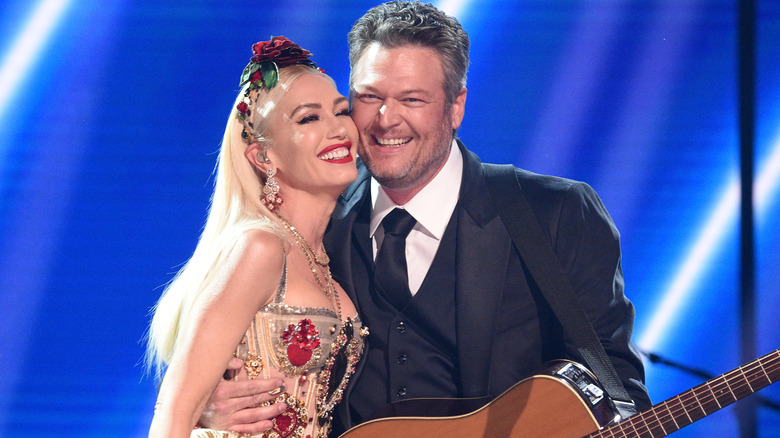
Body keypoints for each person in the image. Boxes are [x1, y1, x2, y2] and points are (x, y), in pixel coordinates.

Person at [199, 2, 652, 436]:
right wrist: (211, 404)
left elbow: (616, 390)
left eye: (411, 99)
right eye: (368, 97)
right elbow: (227, 354)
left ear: (456, 106)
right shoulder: (313, 221)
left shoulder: (554, 213)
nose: (384, 120)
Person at [145, 36, 367, 438]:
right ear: (264, 157)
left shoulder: (329, 258)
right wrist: (202, 411)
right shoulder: (260, 248)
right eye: (308, 118)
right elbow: (175, 408)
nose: (338, 129)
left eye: (341, 111)